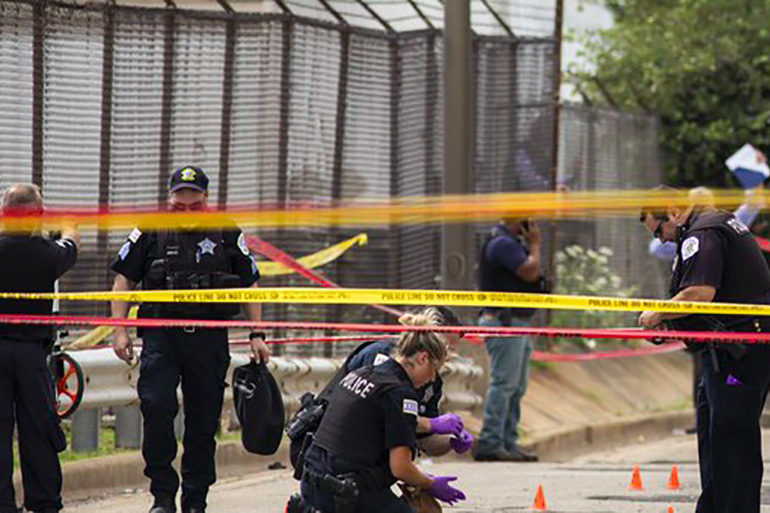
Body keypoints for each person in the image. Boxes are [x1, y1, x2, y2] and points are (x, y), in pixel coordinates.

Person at [110, 166, 269, 513]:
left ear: (206, 201)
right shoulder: (149, 229)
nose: (186, 212)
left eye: (194, 206)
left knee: (202, 420)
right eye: (179, 206)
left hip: (208, 340)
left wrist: (257, 333)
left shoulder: (226, 230)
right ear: (169, 201)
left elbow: (249, 283)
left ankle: (195, 499)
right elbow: (123, 279)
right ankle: (162, 496)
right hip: (160, 337)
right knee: (156, 407)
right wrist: (118, 329)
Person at [638, 187, 770, 513]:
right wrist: (670, 325)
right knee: (715, 437)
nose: (663, 240)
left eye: (660, 231)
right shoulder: (717, 225)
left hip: (739, 355)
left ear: (672, 211)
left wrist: (656, 313)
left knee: (731, 441)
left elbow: (699, 293)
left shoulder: (704, 232)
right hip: (726, 352)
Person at [298, 312, 466, 513]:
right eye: (434, 369)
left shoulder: (362, 373)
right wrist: (430, 483)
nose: (432, 379)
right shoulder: (400, 392)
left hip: (311, 482)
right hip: (344, 492)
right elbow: (400, 467)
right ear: (423, 358)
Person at [0, 184, 79, 513]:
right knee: (38, 430)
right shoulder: (47, 252)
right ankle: (44, 501)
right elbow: (69, 247)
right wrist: (69, 229)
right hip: (31, 353)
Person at [474, 218, 543, 462]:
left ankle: (507, 441)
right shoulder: (501, 243)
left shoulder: (510, 242)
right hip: (504, 323)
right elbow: (529, 270)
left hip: (516, 323)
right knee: (504, 384)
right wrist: (535, 244)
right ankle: (491, 441)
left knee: (517, 386)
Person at [648, 185, 763, 261]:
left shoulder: (721, 224)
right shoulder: (684, 231)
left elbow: (751, 206)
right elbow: (656, 248)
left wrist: (756, 176)